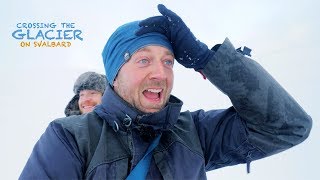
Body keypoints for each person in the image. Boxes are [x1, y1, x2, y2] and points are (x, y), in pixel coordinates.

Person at [19, 4, 312, 179]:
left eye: (168, 61)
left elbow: (288, 127)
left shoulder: (194, 133)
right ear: (115, 74)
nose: (160, 73)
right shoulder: (70, 137)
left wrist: (209, 60)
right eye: (143, 59)